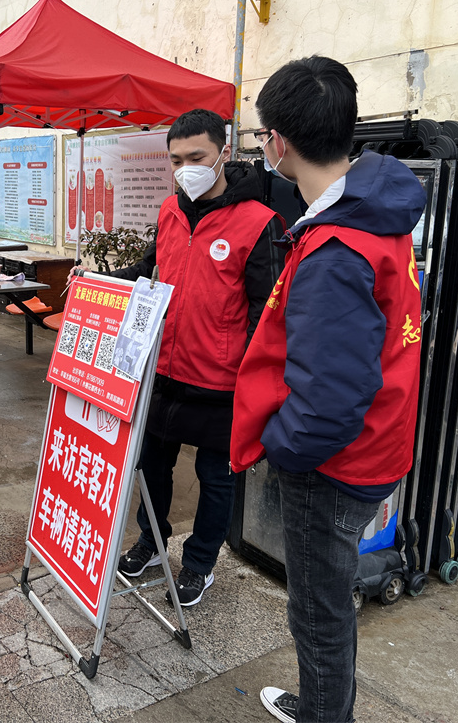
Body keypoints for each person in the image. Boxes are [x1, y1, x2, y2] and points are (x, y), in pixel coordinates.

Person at [230, 56, 425, 723]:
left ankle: (323, 716)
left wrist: (284, 452)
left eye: (260, 136)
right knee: (327, 602)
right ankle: (322, 703)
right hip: (376, 443)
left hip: (335, 465)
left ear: (277, 141)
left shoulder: (338, 248)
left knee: (317, 608)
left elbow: (327, 403)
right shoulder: (376, 213)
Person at [108, 108, 284, 607]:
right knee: (151, 468)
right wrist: (103, 283)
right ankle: (151, 540)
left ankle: (201, 562)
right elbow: (151, 270)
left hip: (221, 383)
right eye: (177, 159)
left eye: (197, 157)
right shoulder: (169, 211)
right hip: (163, 370)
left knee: (215, 478)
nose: (187, 168)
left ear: (224, 153)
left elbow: (264, 314)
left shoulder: (260, 223)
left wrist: (250, 382)